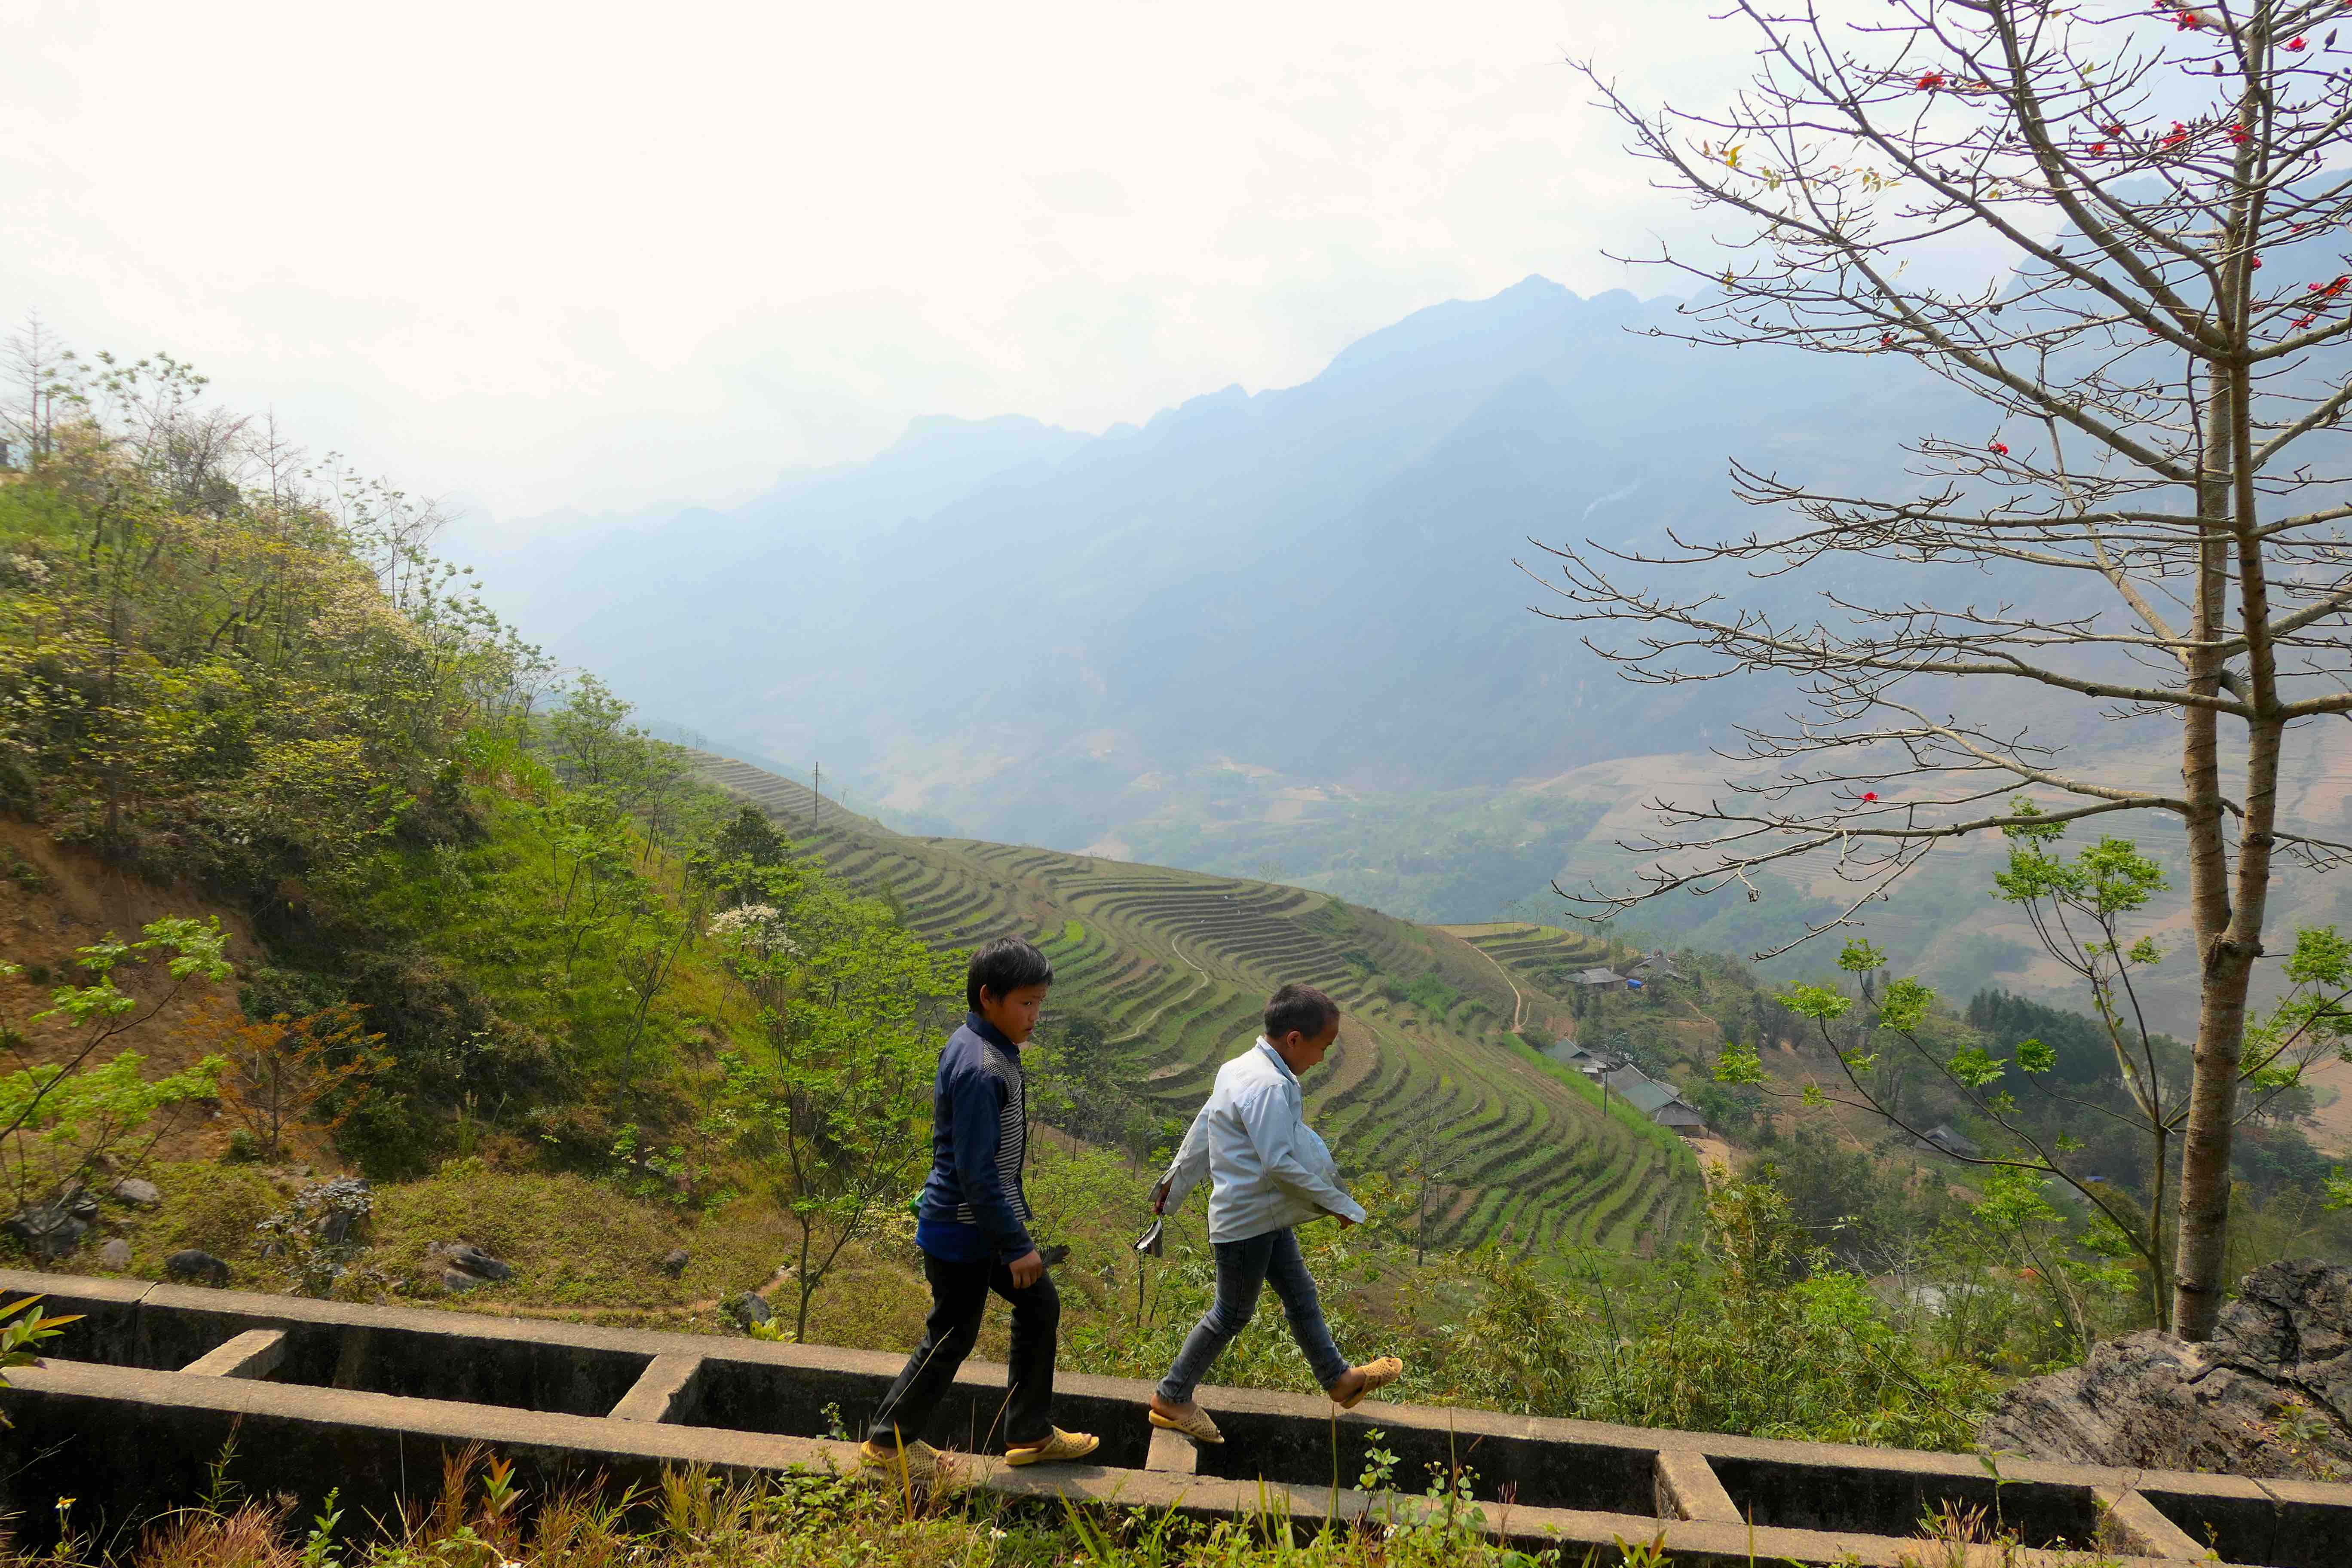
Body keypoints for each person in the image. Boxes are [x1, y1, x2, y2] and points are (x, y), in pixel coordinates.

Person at [860, 936, 1099, 1483]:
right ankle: (888, 1443)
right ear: (989, 997)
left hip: (980, 1225)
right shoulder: (981, 1068)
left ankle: (1030, 1432)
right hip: (964, 1230)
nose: (1035, 1016)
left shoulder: (981, 1044)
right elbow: (977, 1174)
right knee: (952, 1336)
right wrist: (1016, 1244)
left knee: (1038, 1306)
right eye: (1026, 1003)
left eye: (1039, 1003)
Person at [1145, 982, 1404, 1444]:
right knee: (1231, 1315)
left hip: (1263, 1214)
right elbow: (1279, 1163)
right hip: (1248, 1221)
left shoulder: (1239, 1068)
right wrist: (1335, 1204)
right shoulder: (1268, 1085)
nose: (1323, 1059)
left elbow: (1203, 1130)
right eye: (1323, 1047)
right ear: (1295, 1040)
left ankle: (1340, 1381)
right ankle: (1172, 1396)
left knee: (1301, 1295)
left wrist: (1172, 1185)